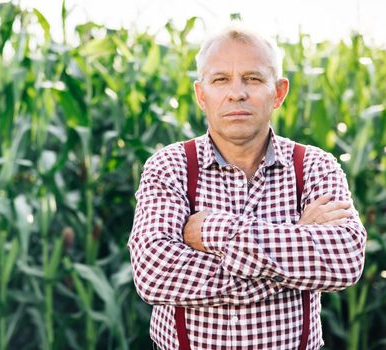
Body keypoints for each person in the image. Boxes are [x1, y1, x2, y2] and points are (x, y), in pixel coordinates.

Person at [127, 23, 366, 350]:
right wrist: (294, 246)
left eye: (253, 79)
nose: (236, 92)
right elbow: (155, 275)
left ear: (279, 92)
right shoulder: (170, 166)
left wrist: (212, 229)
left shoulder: (314, 166)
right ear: (201, 95)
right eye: (220, 79)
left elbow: (345, 260)